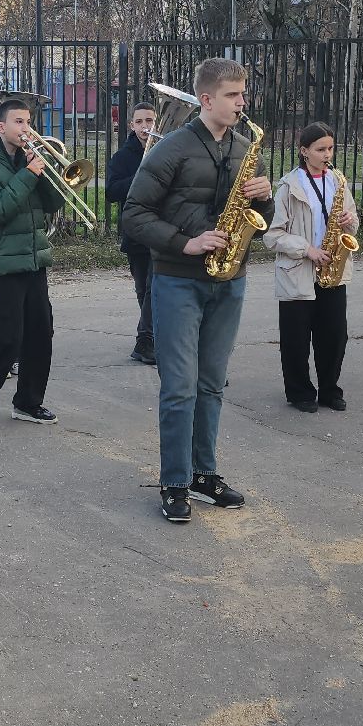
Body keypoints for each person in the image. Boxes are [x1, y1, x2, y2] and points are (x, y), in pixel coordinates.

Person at [120, 57, 273, 521]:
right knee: (180, 387)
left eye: (243, 94)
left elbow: (261, 226)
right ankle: (174, 481)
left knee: (211, 385)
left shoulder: (246, 147)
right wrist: (186, 243)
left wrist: (264, 198)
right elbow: (133, 215)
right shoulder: (171, 149)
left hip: (230, 279)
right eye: (232, 95)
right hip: (178, 281)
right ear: (206, 100)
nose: (241, 103)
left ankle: (204, 475)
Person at [0, 96, 63, 431]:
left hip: (34, 256)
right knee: (9, 336)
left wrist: (45, 171)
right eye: (18, 122)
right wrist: (28, 174)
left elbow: (52, 203)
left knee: (41, 333)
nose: (26, 128)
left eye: (28, 121)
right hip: (2, 259)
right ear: (1, 126)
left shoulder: (29, 159)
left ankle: (28, 402)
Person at [263, 122, 359, 412]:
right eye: (320, 149)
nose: (327, 154)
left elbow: (353, 222)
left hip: (333, 270)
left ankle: (330, 389)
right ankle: (300, 392)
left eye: (330, 148)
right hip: (298, 270)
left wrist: (349, 222)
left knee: (334, 336)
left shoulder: (338, 181)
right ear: (304, 151)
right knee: (296, 339)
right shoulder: (288, 188)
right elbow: (272, 235)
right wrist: (308, 250)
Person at [107, 101, 157, 365]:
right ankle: (151, 338)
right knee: (142, 289)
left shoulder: (165, 150)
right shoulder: (123, 157)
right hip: (135, 231)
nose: (145, 127)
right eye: (139, 122)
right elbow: (111, 191)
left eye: (149, 121)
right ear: (131, 125)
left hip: (160, 228)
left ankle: (145, 340)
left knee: (153, 286)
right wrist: (141, 174)